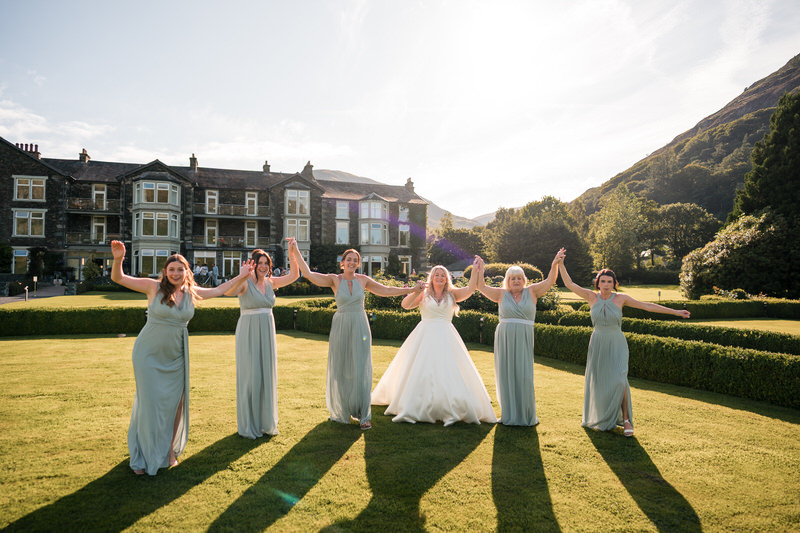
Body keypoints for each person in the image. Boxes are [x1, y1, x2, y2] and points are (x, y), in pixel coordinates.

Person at [110, 240, 253, 475]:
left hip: (176, 356)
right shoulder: (152, 287)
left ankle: (168, 452)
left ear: (188, 271)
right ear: (165, 272)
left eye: (180, 269)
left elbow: (220, 290)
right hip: (148, 355)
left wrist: (242, 276)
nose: (176, 273)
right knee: (150, 404)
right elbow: (120, 278)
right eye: (172, 269)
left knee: (175, 405)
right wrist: (118, 259)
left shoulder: (191, 293)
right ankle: (143, 456)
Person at [295, 249, 424, 430]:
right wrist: (295, 250)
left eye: (355, 260)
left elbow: (385, 290)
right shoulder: (334, 279)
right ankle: (343, 410)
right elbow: (308, 274)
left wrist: (411, 289)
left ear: (358, 263)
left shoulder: (363, 280)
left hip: (360, 324)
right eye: (349, 259)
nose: (352, 262)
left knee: (361, 368)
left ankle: (364, 415)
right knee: (341, 368)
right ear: (343, 262)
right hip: (341, 325)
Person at [558, 264, 690, 437]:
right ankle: (604, 417)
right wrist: (559, 263)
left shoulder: (621, 299)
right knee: (600, 383)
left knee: (620, 381)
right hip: (598, 343)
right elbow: (569, 283)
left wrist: (676, 312)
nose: (606, 284)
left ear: (614, 283)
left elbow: (647, 306)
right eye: (603, 281)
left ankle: (626, 420)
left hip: (617, 343)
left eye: (609, 281)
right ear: (598, 283)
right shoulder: (591, 297)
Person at [372, 258, 497, 426]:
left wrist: (476, 270)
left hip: (447, 335)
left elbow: (470, 289)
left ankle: (448, 404)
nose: (439, 277)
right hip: (425, 334)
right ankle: (417, 403)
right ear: (432, 278)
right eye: (436, 275)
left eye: (442, 275)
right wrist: (416, 291)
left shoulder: (452, 294)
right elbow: (405, 305)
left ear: (447, 279)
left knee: (449, 369)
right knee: (421, 368)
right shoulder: (423, 294)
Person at [476, 249, 566, 426]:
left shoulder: (532, 291)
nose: (516, 281)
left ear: (524, 280)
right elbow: (481, 287)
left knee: (524, 375)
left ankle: (526, 414)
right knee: (506, 374)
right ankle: (508, 414)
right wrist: (480, 269)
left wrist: (554, 264)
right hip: (505, 337)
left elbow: (550, 281)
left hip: (524, 336)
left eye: (519, 278)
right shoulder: (501, 294)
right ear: (507, 281)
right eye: (512, 278)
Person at [225, 239, 301, 438]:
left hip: (267, 328)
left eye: (266, 263)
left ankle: (265, 421)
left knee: (266, 373)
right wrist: (241, 277)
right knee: (250, 375)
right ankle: (249, 423)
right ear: (253, 264)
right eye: (260, 263)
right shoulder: (244, 284)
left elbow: (295, 275)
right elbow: (228, 291)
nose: (263, 266)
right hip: (248, 330)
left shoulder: (271, 282)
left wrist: (292, 252)